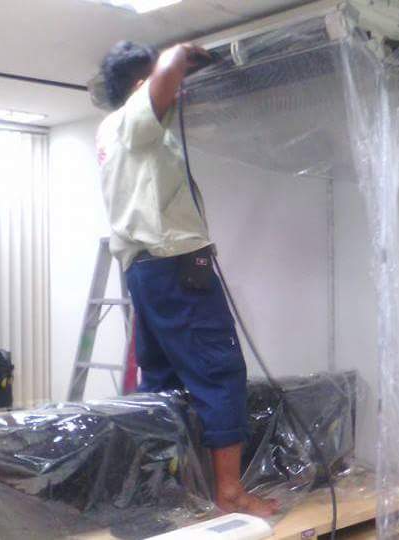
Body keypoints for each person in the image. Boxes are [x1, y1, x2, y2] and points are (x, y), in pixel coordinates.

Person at [96, 41, 278, 517]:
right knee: (220, 373)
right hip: (176, 267)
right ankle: (229, 493)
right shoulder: (134, 119)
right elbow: (158, 87)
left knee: (163, 384)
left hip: (145, 273)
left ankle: (164, 487)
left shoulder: (109, 132)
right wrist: (176, 55)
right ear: (141, 85)